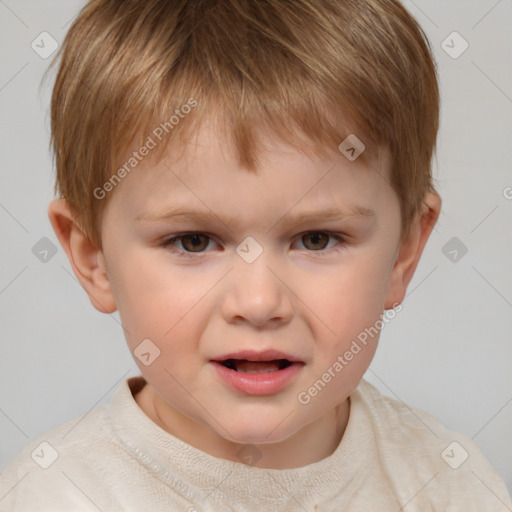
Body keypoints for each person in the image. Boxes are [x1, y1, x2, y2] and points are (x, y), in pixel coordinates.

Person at [1, 0, 510, 510]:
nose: (260, 301)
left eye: (317, 239)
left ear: (404, 253)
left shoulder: (450, 486)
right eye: (193, 241)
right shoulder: (56, 495)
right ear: (94, 258)